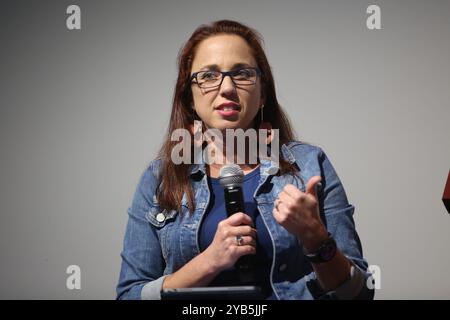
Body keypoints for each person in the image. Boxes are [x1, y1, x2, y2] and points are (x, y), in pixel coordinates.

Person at [116, 20, 374, 300]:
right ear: (189, 98)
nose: (226, 87)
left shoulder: (310, 164)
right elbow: (129, 295)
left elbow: (359, 294)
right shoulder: (159, 179)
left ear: (262, 93)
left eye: (241, 73)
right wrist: (208, 263)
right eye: (208, 76)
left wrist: (316, 237)